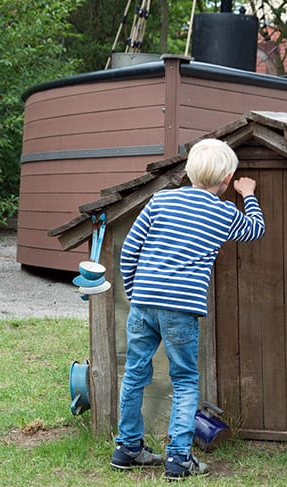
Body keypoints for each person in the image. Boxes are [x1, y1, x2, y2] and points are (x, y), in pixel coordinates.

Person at [109, 138, 265, 480]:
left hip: (144, 304)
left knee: (135, 373)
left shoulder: (160, 201)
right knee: (184, 380)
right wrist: (248, 194)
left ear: (189, 171)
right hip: (181, 310)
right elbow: (256, 230)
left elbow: (129, 250)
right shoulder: (224, 211)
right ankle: (178, 458)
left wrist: (136, 293)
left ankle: (127, 447)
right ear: (227, 179)